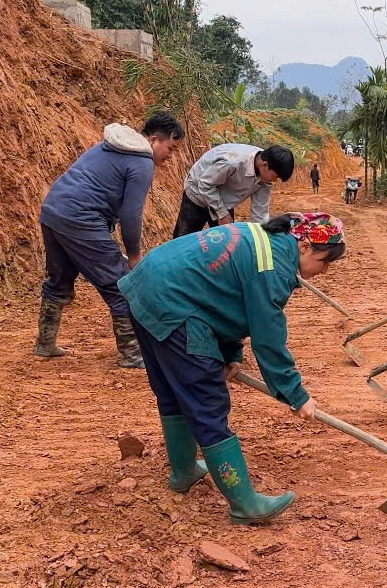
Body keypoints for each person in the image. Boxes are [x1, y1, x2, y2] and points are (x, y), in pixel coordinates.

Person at [118, 212, 346, 524]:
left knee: (173, 391)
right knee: (206, 401)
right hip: (174, 304)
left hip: (148, 287)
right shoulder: (274, 267)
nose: (324, 270)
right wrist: (295, 395)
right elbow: (268, 339)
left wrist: (230, 354)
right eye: (324, 261)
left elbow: (226, 292)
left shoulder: (268, 240)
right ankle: (244, 504)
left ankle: (183, 472)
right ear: (305, 246)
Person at [35, 114, 185, 367]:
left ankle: (44, 344)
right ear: (153, 139)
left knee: (59, 280)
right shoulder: (142, 163)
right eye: (170, 148)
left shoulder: (109, 145)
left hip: (53, 212)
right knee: (120, 286)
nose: (170, 156)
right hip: (81, 219)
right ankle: (133, 355)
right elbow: (131, 215)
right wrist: (134, 255)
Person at [172, 144, 294, 238]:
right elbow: (205, 184)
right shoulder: (233, 162)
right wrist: (222, 213)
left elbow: (260, 213)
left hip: (224, 199)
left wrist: (262, 237)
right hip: (197, 193)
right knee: (184, 240)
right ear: (265, 164)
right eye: (275, 176)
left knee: (227, 242)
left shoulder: (265, 176)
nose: (274, 180)